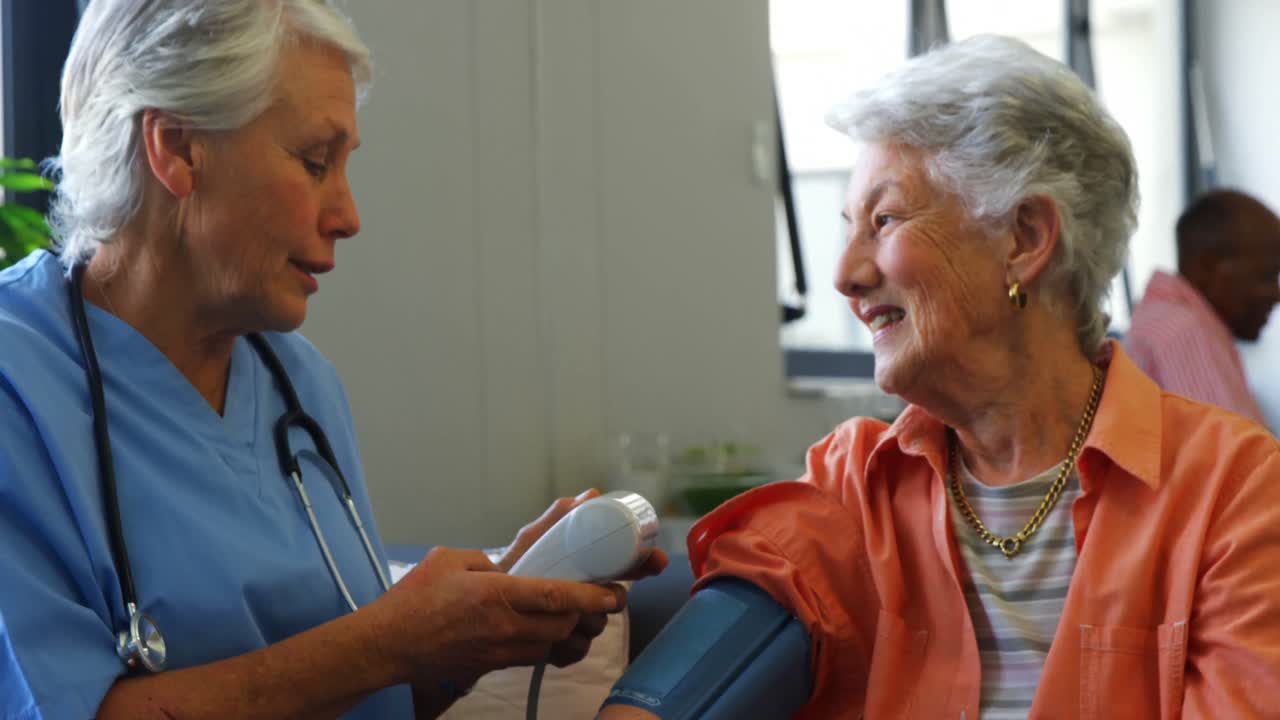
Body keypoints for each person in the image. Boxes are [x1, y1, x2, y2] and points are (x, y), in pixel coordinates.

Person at [0, 2, 665, 719]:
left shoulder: (300, 385)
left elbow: (367, 690)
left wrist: (481, 630)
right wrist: (392, 641)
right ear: (176, 147)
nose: (347, 215)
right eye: (315, 163)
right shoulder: (19, 385)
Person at [600, 35, 1280, 719]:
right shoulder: (854, 486)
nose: (844, 274)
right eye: (848, 228)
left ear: (1023, 238)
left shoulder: (1234, 489)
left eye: (885, 219)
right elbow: (664, 699)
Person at [1125, 189, 1280, 425]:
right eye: (1266, 276)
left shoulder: (1168, 321)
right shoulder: (1183, 331)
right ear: (1208, 266)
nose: (1276, 295)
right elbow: (1233, 460)